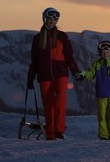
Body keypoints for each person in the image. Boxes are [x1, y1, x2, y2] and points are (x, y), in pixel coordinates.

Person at [27, 7, 81, 140]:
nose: (52, 21)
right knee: (48, 104)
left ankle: (59, 131)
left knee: (60, 102)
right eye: (49, 18)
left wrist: (76, 72)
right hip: (44, 75)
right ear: (44, 18)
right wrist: (30, 77)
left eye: (55, 19)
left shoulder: (62, 36)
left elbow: (69, 56)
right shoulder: (38, 38)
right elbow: (34, 60)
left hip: (61, 74)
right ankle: (50, 133)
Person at [75, 40, 110, 140]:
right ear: (100, 53)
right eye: (103, 52)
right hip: (101, 94)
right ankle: (103, 135)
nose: (105, 54)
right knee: (102, 115)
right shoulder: (97, 64)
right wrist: (84, 74)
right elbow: (91, 73)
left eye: (107, 52)